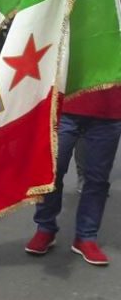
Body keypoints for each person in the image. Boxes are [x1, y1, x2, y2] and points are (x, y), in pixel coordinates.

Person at [25, 89, 121, 265]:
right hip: (64, 106)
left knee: (97, 179)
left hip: (109, 111)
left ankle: (86, 237)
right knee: (52, 172)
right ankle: (45, 227)